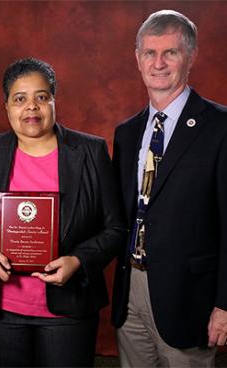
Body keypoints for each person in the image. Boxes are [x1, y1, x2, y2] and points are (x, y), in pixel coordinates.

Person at [0, 57, 126, 367]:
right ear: (7, 106)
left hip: (68, 308)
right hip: (2, 308)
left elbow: (115, 229)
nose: (31, 107)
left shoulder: (90, 151)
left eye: (41, 97)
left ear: (54, 102)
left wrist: (79, 260)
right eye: (20, 99)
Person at [111, 9, 227, 367]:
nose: (158, 63)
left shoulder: (220, 128)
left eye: (170, 53)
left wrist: (225, 304)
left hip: (190, 297)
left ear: (190, 56)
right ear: (137, 58)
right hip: (131, 291)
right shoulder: (127, 133)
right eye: (150, 52)